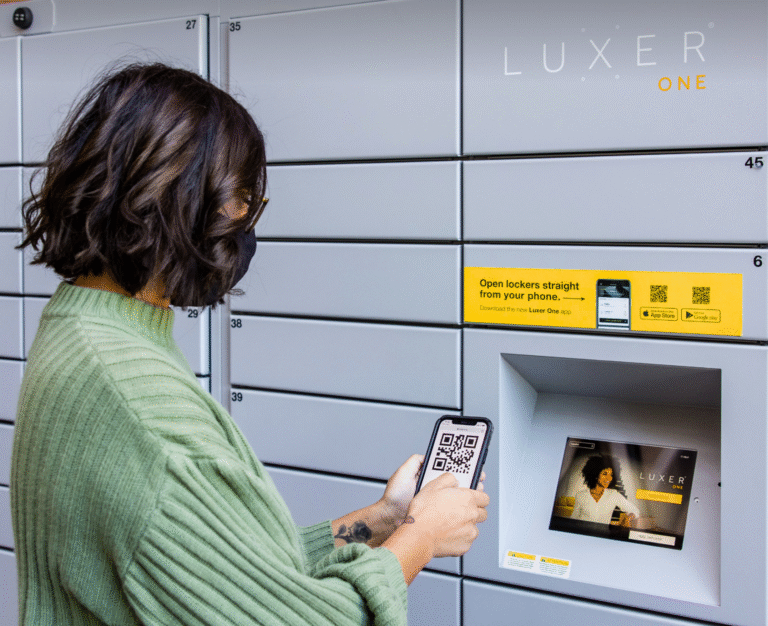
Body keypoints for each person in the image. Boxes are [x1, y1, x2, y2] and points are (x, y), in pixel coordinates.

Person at [11, 63, 490, 626]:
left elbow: (228, 577)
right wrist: (422, 537)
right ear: (173, 198)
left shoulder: (85, 333)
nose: (244, 225)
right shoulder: (139, 405)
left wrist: (386, 517)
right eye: (239, 200)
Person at [572, 454, 639, 526]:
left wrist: (628, 518)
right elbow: (573, 518)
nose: (609, 478)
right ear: (596, 475)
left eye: (611, 475)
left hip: (601, 534)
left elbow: (635, 510)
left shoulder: (613, 495)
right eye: (605, 474)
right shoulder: (580, 495)